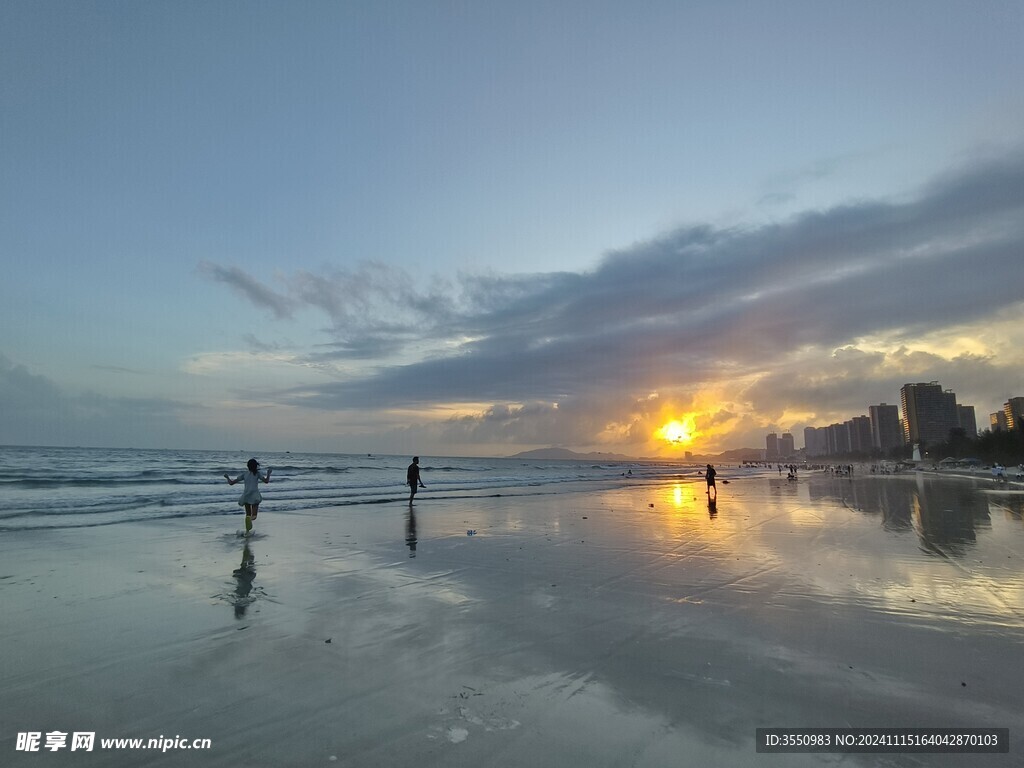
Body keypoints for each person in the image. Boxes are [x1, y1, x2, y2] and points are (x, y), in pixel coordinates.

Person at [225, 458, 271, 535]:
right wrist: (269, 473)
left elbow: (231, 483)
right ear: (256, 466)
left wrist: (227, 477)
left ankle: (247, 532)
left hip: (246, 496)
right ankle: (250, 521)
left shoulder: (245, 474)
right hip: (255, 496)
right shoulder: (257, 474)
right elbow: (266, 481)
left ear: (248, 466)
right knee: (254, 516)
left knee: (248, 515)